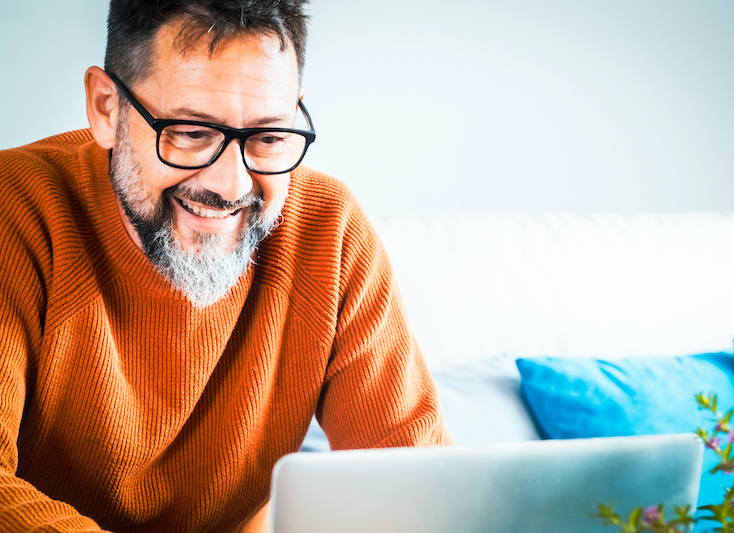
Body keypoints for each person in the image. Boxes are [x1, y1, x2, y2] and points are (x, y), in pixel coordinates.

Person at [0, 0, 451, 530]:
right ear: (106, 108)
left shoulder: (330, 230)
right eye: (191, 133)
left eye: (267, 137)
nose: (230, 186)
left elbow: (416, 484)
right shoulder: (17, 209)